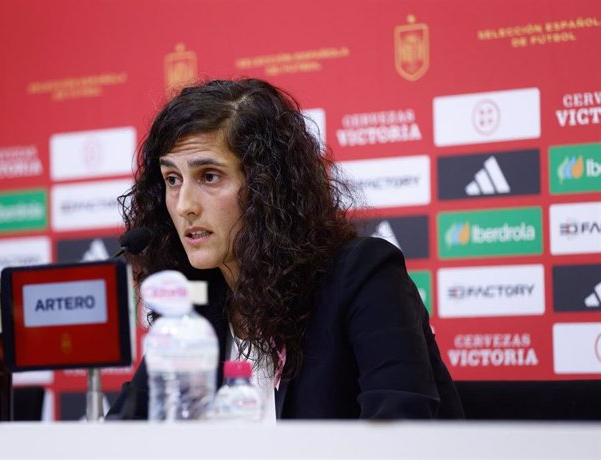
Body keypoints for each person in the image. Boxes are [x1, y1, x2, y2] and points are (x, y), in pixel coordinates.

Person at [107, 78, 464, 420]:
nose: (184, 205)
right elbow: (123, 435)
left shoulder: (362, 277)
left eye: (209, 177)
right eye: (172, 179)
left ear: (266, 189)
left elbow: (400, 432)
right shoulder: (196, 305)